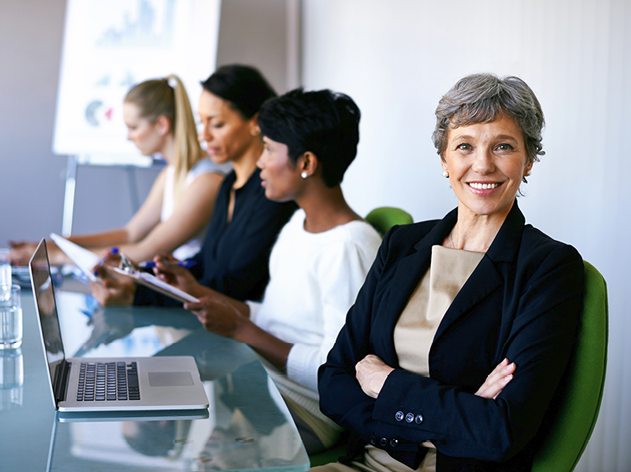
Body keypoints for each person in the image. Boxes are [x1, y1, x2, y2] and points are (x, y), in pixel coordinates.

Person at [316, 74, 585, 472]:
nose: (483, 164)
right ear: (444, 160)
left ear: (528, 160)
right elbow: (334, 381)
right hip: (364, 459)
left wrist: (386, 385)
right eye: (464, 146)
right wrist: (452, 412)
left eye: (503, 147)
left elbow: (499, 431)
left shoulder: (548, 268)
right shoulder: (401, 245)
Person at [153, 89, 381, 454]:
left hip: (304, 411)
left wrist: (241, 330)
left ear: (306, 163)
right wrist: (198, 290)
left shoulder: (347, 247)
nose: (259, 162)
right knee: (158, 381)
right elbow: (273, 318)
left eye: (269, 149)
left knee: (170, 408)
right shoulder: (296, 225)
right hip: (259, 379)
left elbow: (339, 370)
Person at [92, 65, 296, 306]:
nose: (203, 135)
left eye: (217, 124)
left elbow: (234, 288)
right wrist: (145, 276)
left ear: (255, 123)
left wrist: (138, 293)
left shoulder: (271, 194)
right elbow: (205, 265)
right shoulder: (229, 184)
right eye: (202, 123)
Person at [10, 75, 229, 265]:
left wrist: (56, 256)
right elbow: (130, 233)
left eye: (133, 127)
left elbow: (146, 250)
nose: (128, 136)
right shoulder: (171, 174)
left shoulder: (206, 180)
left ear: (162, 125)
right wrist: (54, 245)